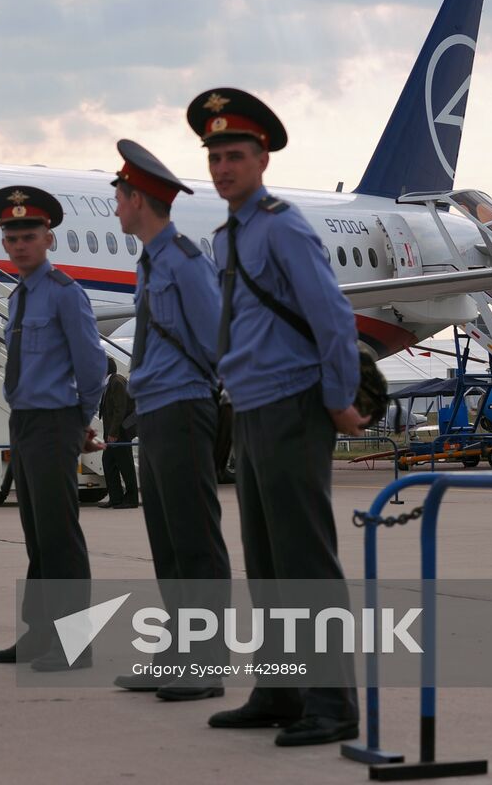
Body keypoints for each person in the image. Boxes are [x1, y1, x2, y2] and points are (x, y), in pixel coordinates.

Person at [194, 87, 365, 747]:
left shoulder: (284, 226)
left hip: (295, 405)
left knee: (305, 563)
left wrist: (337, 397)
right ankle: (280, 688)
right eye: (214, 158)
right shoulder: (231, 234)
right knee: (266, 561)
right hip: (255, 408)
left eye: (234, 155)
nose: (223, 169)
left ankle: (332, 704)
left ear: (262, 159)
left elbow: (332, 316)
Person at [110, 138, 231, 701]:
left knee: (194, 539)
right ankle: (177, 653)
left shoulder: (183, 261)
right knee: (166, 542)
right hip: (156, 411)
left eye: (120, 192)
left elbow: (214, 338)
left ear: (139, 199)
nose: (115, 200)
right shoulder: (151, 262)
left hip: (184, 407)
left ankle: (205, 663)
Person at [0, 186, 107, 670]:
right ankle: (39, 635)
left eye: (29, 235)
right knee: (36, 534)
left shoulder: (64, 294)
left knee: (60, 536)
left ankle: (75, 644)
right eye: (11, 237)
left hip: (56, 422)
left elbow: (93, 366)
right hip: (25, 421)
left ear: (48, 238)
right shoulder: (17, 297)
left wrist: (79, 420)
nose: (19, 245)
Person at [99, 356, 138, 509]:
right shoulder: (110, 383)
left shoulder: (116, 382)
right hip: (112, 432)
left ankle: (131, 499)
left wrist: (113, 432)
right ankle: (116, 498)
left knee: (125, 465)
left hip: (119, 432)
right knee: (108, 463)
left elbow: (119, 409)